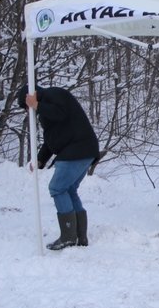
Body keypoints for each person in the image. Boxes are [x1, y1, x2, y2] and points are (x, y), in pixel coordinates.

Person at [18, 84, 100, 251]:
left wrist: (38, 105)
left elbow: (60, 114)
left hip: (77, 150)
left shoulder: (54, 94)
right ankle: (79, 236)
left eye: (26, 107)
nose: (28, 112)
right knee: (69, 189)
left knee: (57, 188)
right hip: (83, 150)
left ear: (29, 99)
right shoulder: (46, 111)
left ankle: (68, 237)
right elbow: (52, 138)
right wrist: (40, 160)